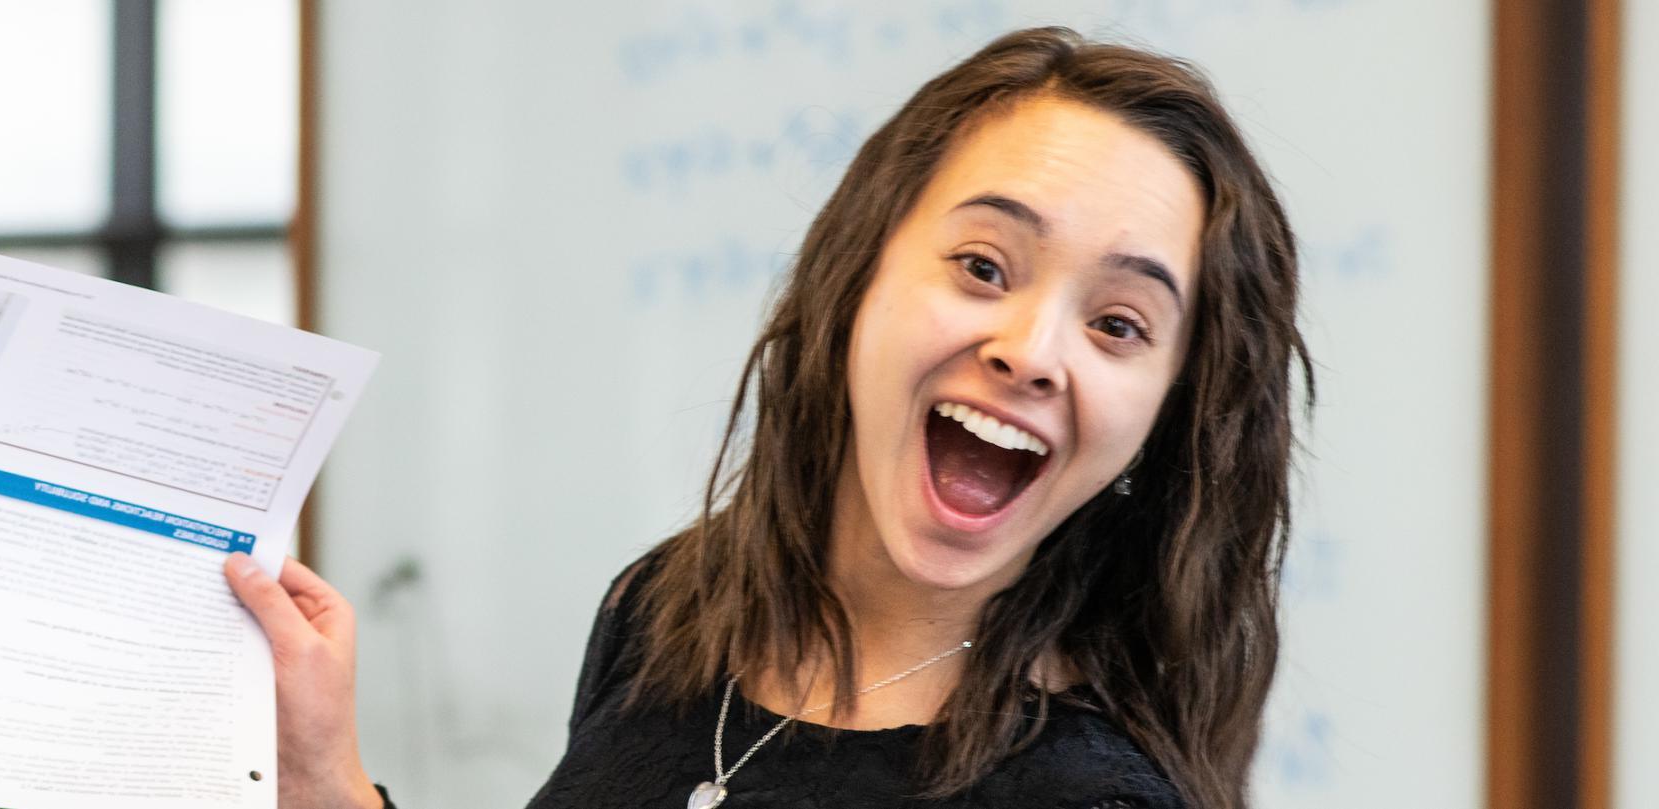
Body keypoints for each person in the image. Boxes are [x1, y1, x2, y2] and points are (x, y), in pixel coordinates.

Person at [221, 26, 1311, 809]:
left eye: (1119, 325)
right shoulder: (674, 609)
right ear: (857, 280)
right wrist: (325, 780)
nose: (1029, 349)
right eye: (983, 265)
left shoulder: (1084, 791)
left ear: (1164, 420)